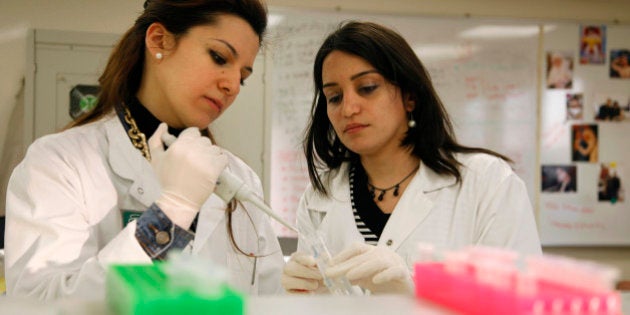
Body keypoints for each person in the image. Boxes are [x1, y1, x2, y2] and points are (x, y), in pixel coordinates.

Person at [5, 0, 284, 300]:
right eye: (219, 57)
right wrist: (168, 217)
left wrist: (305, 293)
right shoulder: (60, 164)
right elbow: (37, 303)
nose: (232, 85)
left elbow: (267, 298)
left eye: (243, 77)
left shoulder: (241, 180)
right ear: (158, 40)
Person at [281, 21, 542, 295]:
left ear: (410, 97)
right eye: (334, 97)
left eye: (367, 87)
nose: (348, 108)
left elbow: (521, 302)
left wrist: (411, 297)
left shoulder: (488, 184)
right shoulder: (319, 198)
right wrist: (302, 299)